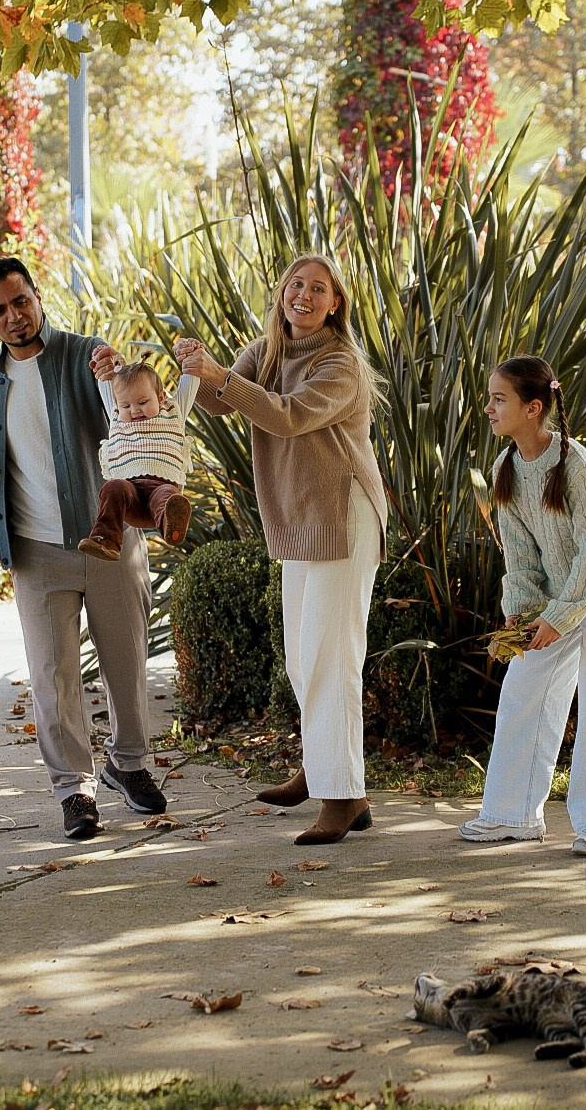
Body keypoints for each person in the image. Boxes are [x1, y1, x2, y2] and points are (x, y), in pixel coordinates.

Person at [0, 256, 167, 842]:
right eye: (0, 310)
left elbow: (131, 415)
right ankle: (75, 789)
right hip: (35, 551)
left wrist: (112, 372)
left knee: (126, 661)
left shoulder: (84, 355)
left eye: (22, 301)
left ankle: (130, 763)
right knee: (53, 675)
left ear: (38, 297)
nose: (15, 316)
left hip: (108, 537)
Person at [174, 253, 388, 846]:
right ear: (283, 292)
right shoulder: (267, 350)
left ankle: (340, 797)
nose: (304, 295)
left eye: (318, 289)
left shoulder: (339, 363)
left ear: (335, 303)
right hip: (298, 519)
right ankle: (328, 769)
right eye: (297, 284)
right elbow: (219, 400)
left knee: (332, 656)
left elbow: (289, 417)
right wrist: (196, 368)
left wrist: (221, 378)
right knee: (302, 655)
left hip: (343, 517)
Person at [460, 355, 586, 857]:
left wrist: (560, 617)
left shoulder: (576, 466)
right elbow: (518, 552)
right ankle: (512, 814)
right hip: (555, 601)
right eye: (490, 398)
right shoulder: (506, 468)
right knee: (522, 691)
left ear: (533, 407)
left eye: (500, 400)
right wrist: (522, 608)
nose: (489, 409)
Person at [78, 357, 198, 559]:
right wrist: (107, 365)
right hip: (129, 498)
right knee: (112, 487)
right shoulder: (116, 416)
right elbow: (106, 383)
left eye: (142, 402)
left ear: (160, 398)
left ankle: (170, 525)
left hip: (159, 492)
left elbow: (190, 383)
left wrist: (190, 357)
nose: (134, 410)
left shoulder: (173, 412)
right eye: (126, 406)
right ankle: (107, 541)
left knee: (168, 495)